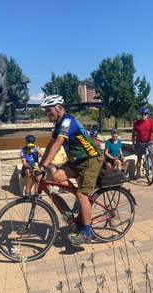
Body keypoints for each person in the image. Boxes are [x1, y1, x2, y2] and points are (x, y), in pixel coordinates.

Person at [38, 95, 103, 246]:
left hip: (91, 160)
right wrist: (40, 164)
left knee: (81, 195)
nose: (47, 114)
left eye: (49, 111)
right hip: (76, 161)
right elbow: (50, 145)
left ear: (59, 108)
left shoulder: (67, 121)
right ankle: (76, 211)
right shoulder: (59, 124)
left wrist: (42, 167)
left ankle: (87, 233)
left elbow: (58, 145)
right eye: (46, 112)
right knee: (57, 177)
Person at [132, 107, 153, 181]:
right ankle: (138, 173)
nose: (143, 115)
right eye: (142, 114)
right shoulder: (136, 122)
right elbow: (134, 133)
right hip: (139, 142)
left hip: (149, 142)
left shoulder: (151, 121)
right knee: (139, 159)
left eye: (145, 114)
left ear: (147, 114)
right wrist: (133, 141)